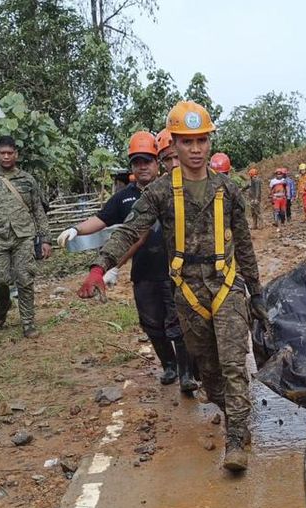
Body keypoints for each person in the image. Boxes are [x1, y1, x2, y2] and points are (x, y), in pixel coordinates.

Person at [78, 101, 265, 472]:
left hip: (226, 287)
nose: (195, 150)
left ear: (210, 142)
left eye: (201, 141)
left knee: (231, 364)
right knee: (208, 374)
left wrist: (256, 294)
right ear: (174, 147)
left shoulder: (228, 189)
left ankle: (236, 438)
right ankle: (232, 412)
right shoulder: (159, 193)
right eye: (186, 142)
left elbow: (243, 245)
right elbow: (130, 230)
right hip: (188, 293)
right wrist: (100, 266)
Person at [57, 132, 194, 392]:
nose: (143, 166)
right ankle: (169, 366)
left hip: (174, 271)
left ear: (157, 162)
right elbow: (100, 221)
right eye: (137, 162)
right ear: (132, 166)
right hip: (143, 273)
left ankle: (187, 374)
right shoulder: (124, 198)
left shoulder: (172, 191)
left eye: (148, 161)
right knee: (152, 323)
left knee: (179, 323)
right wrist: (75, 229)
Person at [0, 135, 52, 339]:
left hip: (24, 235)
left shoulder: (27, 180)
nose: (6, 157)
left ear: (16, 154)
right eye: (2, 153)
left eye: (10, 153)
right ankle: (4, 304)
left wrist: (45, 239)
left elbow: (38, 210)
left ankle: (28, 322)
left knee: (25, 278)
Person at [270, 168, 289, 233]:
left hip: (283, 198)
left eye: (280, 174)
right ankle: (277, 223)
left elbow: (286, 189)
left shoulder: (284, 181)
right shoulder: (273, 181)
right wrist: (271, 197)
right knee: (276, 211)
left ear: (282, 174)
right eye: (278, 174)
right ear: (276, 175)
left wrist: (288, 196)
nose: (279, 175)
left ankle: (283, 221)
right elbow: (271, 190)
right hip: (276, 198)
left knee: (282, 212)